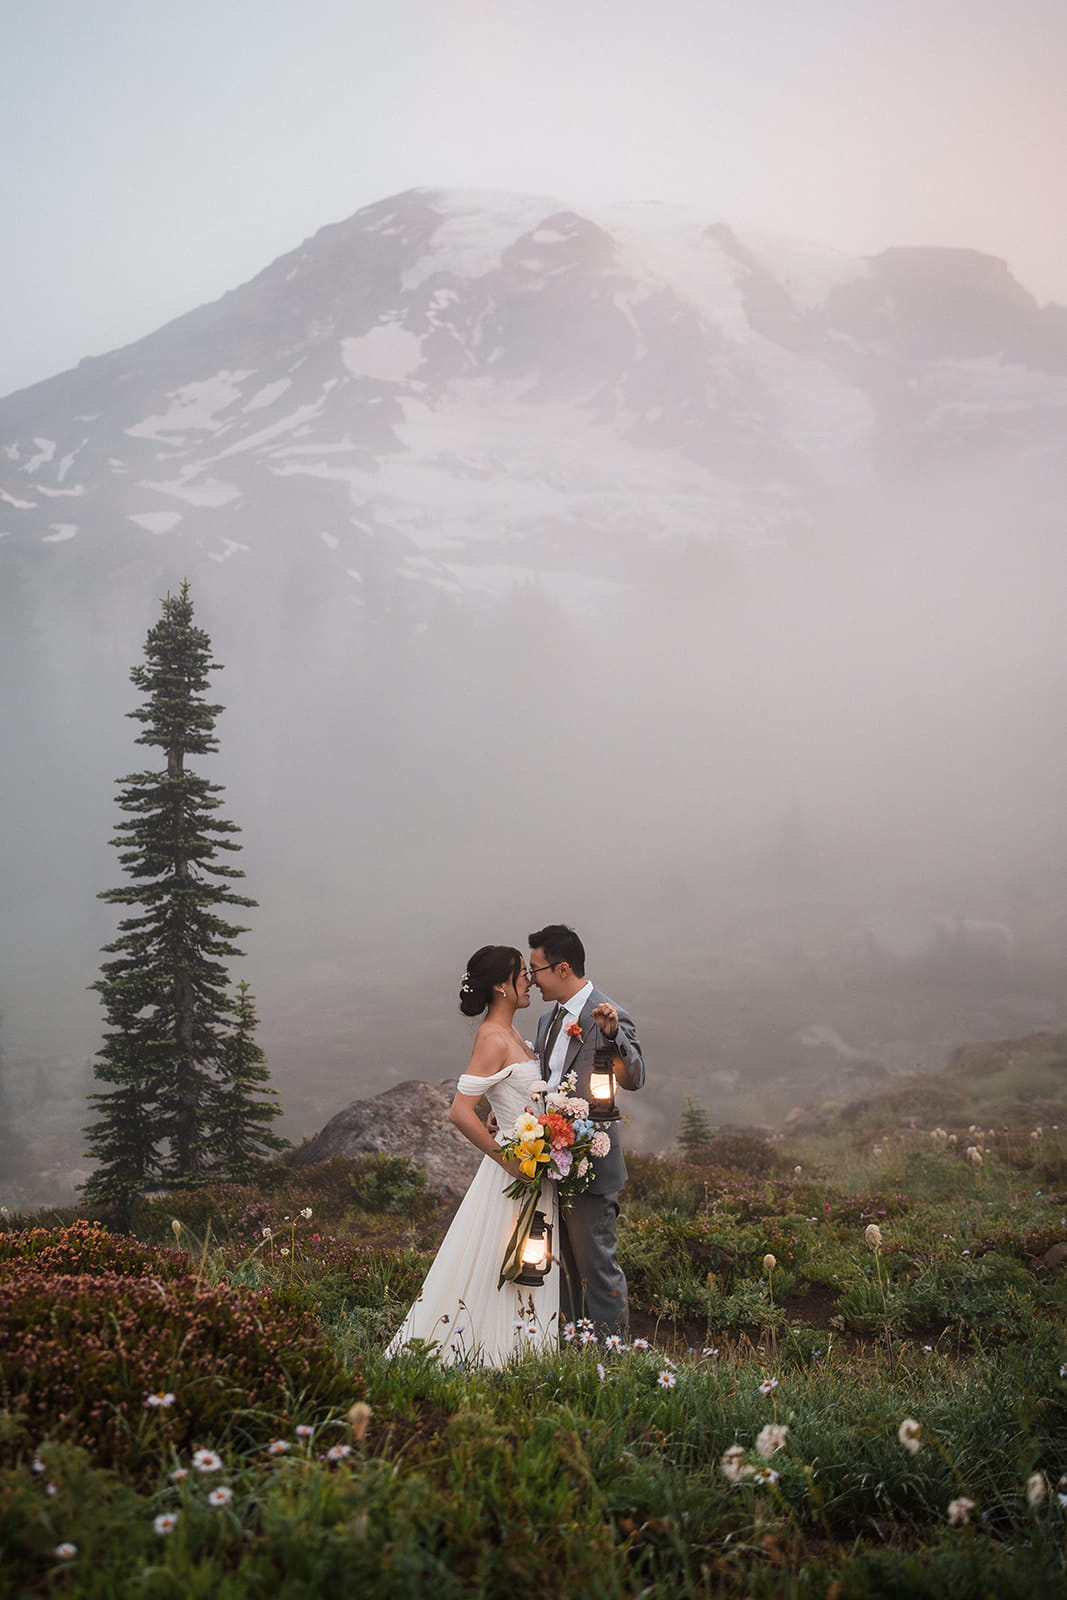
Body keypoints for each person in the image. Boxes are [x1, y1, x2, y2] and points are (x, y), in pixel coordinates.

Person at [384, 945, 559, 1365]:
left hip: (536, 1167)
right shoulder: (492, 1037)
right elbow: (460, 1112)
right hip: (513, 1175)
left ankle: (529, 1353)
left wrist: (509, 1123)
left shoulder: (515, 1033)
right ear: (501, 985)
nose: (529, 980)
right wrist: (507, 1158)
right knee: (497, 1262)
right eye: (521, 974)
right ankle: (490, 1354)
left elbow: (506, 1098)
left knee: (528, 1262)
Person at [528, 923, 645, 1337]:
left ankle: (610, 1359)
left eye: (535, 970)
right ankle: (570, 1351)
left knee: (597, 1267)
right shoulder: (546, 1021)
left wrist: (613, 1037)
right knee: (559, 1267)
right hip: (551, 1162)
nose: (530, 979)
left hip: (591, 1165)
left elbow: (634, 1078)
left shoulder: (608, 1014)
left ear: (561, 969)